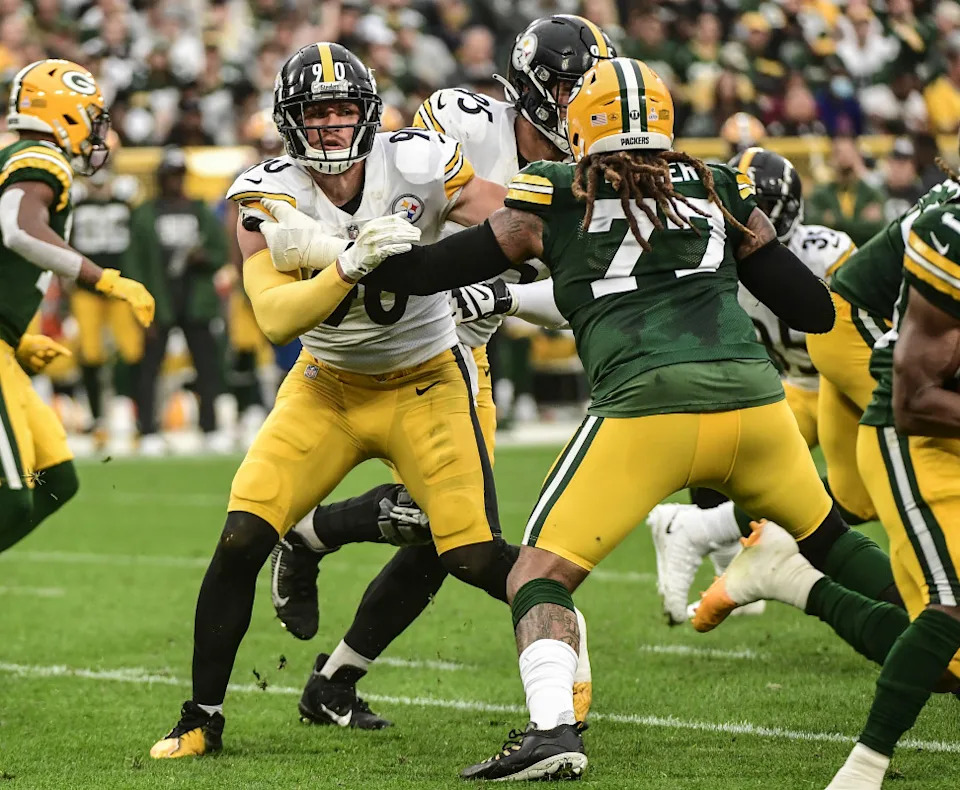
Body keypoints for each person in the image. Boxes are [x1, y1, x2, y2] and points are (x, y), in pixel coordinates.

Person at [354, 56, 898, 780]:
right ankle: (942, 626)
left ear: (582, 122)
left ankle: (553, 732)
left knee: (538, 575)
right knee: (829, 536)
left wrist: (368, 258)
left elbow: (441, 268)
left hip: (645, 411)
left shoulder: (553, 191)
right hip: (755, 410)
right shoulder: (718, 186)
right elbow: (813, 308)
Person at [148, 41, 562, 759]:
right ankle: (200, 718)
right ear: (290, 120)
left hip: (427, 377)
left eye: (344, 109)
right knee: (241, 535)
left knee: (468, 553)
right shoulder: (265, 190)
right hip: (326, 387)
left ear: (367, 115)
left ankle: (562, 663)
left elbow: (515, 221)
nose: (334, 124)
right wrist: (348, 263)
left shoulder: (419, 162)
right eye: (318, 111)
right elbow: (275, 317)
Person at [266, 14, 609, 729]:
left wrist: (505, 291)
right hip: (413, 333)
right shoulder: (465, 121)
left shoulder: (603, 158)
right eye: (574, 87)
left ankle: (331, 664)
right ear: (539, 87)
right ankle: (309, 540)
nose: (586, 101)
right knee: (457, 531)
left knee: (451, 538)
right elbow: (404, 204)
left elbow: (580, 291)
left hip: (470, 347)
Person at [692, 176, 960, 784]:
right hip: (911, 408)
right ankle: (862, 770)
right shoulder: (951, 232)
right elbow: (915, 397)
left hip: (886, 375)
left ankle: (785, 573)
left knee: (944, 657)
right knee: (950, 606)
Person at [643, 148, 860, 625]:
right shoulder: (715, 256)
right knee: (719, 455)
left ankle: (704, 535)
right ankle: (721, 551)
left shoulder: (826, 252)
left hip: (836, 381)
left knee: (852, 490)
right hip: (791, 385)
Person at [0, 59, 154, 553]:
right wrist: (104, 279)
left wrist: (16, 336)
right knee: (11, 500)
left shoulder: (28, 156)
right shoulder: (42, 159)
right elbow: (18, 228)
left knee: (56, 480)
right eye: (90, 115)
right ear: (65, 113)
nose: (96, 131)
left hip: (4, 349)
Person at [129, 145, 230, 455]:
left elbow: (220, 251)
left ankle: (210, 428)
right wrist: (141, 307)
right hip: (159, 303)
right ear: (161, 178)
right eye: (169, 175)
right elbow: (135, 263)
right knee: (149, 368)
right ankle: (147, 431)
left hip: (195, 300)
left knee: (206, 366)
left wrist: (204, 257)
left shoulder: (199, 210)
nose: (174, 181)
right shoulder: (146, 213)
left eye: (178, 175)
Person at [68, 149, 143, 450]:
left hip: (119, 286)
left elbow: (138, 235)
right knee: (90, 352)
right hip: (86, 286)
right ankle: (97, 417)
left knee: (131, 350)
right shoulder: (74, 196)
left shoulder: (126, 194)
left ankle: (130, 413)